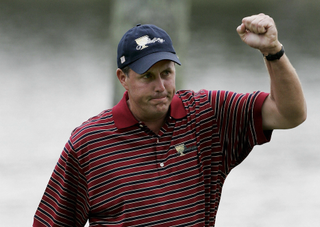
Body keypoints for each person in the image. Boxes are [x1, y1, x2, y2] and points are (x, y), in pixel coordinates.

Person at [33, 13, 306, 226]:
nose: (161, 87)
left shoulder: (207, 115)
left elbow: (289, 113)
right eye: (147, 77)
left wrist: (273, 51)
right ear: (123, 79)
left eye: (166, 73)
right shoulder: (88, 143)